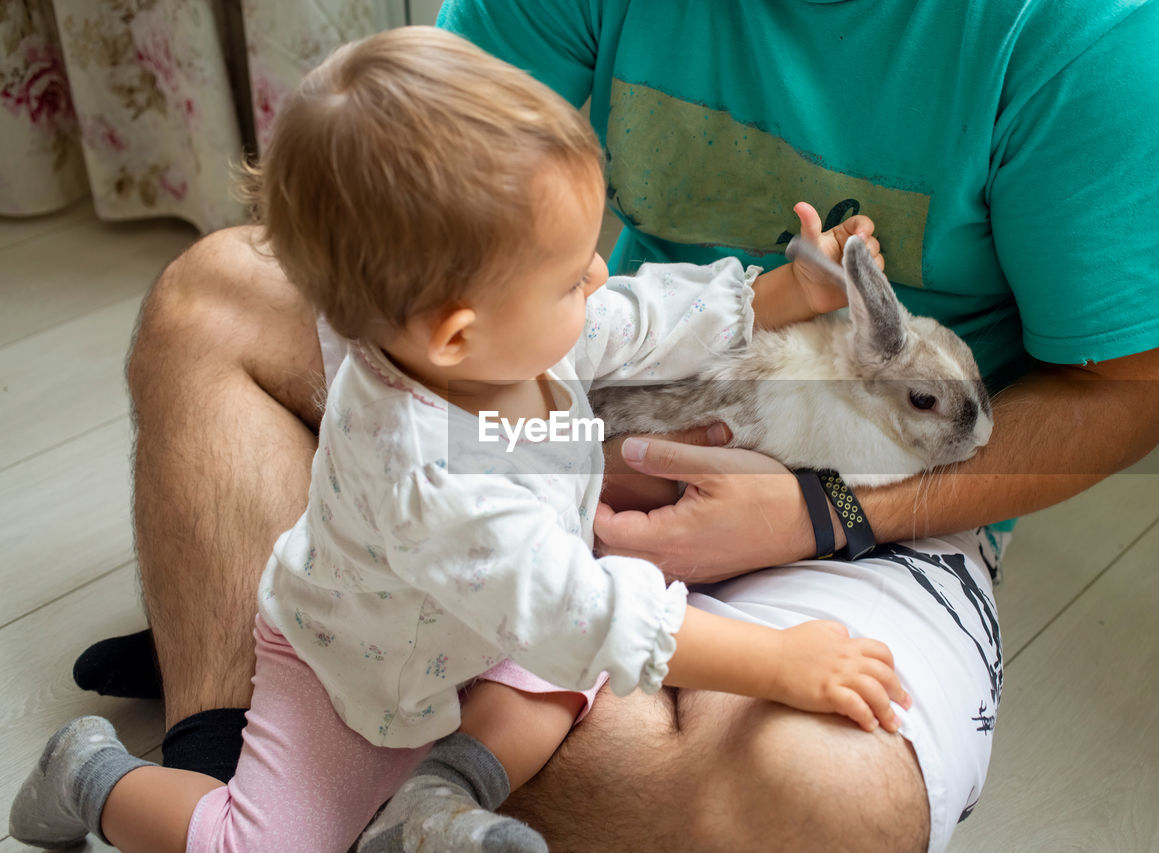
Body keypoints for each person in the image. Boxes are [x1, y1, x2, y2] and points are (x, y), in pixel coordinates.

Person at [71, 0, 1159, 850]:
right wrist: (579, 448)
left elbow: (1120, 393)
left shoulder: (1092, 37)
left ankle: (321, 679)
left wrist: (830, 512)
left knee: (822, 800)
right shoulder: (518, 354)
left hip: (841, 499)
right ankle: (230, 752)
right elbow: (409, 192)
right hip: (542, 409)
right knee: (214, 294)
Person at [10, 26, 909, 853]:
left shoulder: (499, 338)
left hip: (469, 631)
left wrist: (776, 298)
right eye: (568, 275)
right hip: (351, 666)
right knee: (262, 845)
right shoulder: (427, 472)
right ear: (454, 333)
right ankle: (91, 777)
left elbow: (637, 317)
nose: (597, 275)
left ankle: (435, 799)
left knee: (565, 680)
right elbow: (582, 611)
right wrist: (781, 661)